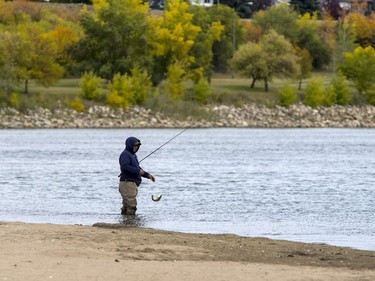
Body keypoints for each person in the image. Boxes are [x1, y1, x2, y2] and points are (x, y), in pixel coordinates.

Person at [118, 136, 155, 215]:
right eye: (134, 146)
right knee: (131, 206)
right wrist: (138, 171)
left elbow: (137, 168)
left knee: (127, 206)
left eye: (137, 146)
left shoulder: (133, 155)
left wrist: (147, 175)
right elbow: (125, 167)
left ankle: (124, 223)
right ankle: (131, 224)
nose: (136, 148)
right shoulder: (125, 154)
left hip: (131, 184)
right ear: (130, 145)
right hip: (127, 183)